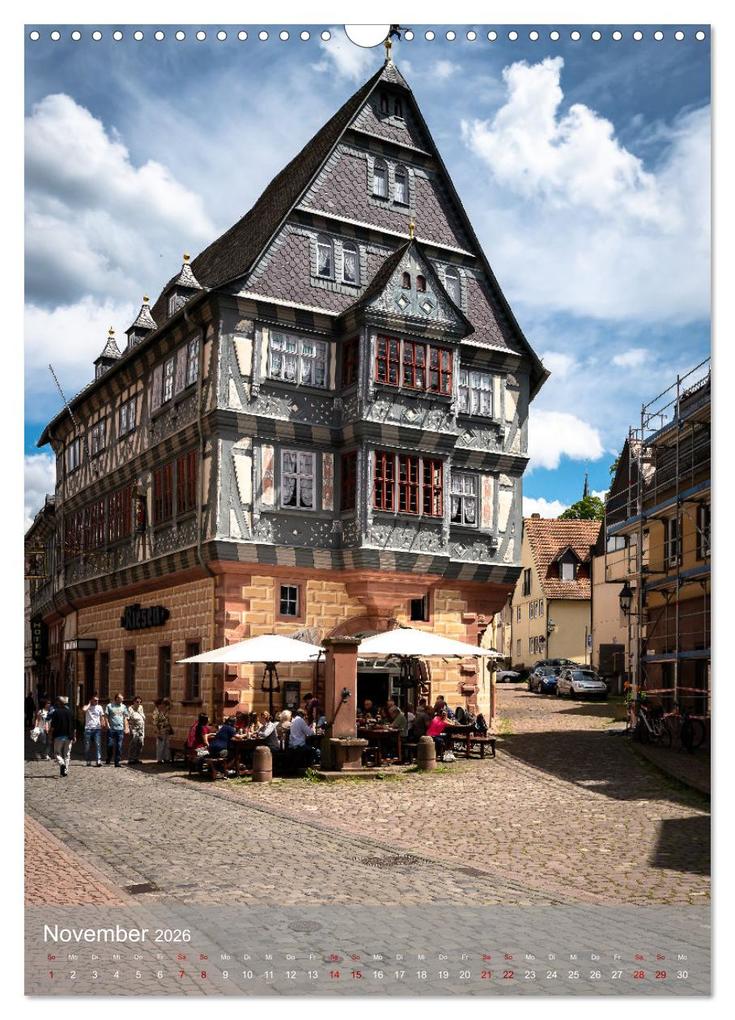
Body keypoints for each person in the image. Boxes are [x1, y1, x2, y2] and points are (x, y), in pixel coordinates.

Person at [48, 696, 74, 777]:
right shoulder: (70, 712)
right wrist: (74, 736)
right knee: (67, 754)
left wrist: (50, 735)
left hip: (58, 736)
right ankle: (65, 771)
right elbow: (74, 726)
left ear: (59, 703)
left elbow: (53, 726)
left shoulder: (56, 712)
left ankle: (62, 764)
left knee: (57, 753)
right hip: (69, 736)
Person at [105, 693, 129, 768]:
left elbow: (125, 718)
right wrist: (107, 725)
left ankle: (117, 762)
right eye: (121, 698)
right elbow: (106, 716)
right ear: (116, 699)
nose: (122, 700)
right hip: (111, 729)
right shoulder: (109, 706)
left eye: (123, 698)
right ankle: (109, 757)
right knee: (110, 745)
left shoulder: (123, 707)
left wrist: (126, 727)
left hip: (120, 729)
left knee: (119, 746)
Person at [82, 694, 105, 767]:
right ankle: (88, 761)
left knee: (98, 745)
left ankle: (98, 761)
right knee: (87, 746)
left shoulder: (99, 707)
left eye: (97, 700)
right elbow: (84, 710)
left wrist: (103, 723)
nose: (97, 701)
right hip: (88, 729)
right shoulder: (87, 707)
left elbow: (102, 716)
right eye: (95, 700)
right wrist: (89, 704)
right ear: (91, 700)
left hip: (97, 729)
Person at [152, 698, 173, 763]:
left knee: (166, 745)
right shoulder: (156, 712)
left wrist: (168, 701)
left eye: (163, 704)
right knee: (160, 745)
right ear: (159, 705)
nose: (163, 705)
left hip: (166, 730)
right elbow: (155, 724)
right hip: (160, 731)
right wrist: (157, 733)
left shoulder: (164, 711)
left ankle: (166, 758)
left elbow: (171, 706)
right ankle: (159, 759)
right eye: (162, 704)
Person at [127, 696, 146, 764]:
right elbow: (127, 718)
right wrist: (129, 728)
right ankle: (130, 759)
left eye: (140, 702)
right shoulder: (130, 709)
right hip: (134, 728)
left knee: (141, 743)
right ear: (134, 702)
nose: (139, 703)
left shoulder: (141, 708)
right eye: (137, 702)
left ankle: (136, 758)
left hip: (141, 728)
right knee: (133, 743)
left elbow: (143, 717)